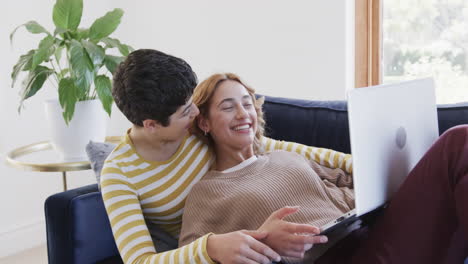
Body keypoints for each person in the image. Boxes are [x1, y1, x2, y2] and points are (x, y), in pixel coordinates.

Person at [179, 72, 468, 264]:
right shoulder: (207, 192)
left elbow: (351, 183)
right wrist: (266, 242)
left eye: (247, 104)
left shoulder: (283, 157)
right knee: (457, 140)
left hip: (374, 232)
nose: (243, 114)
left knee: (459, 146)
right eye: (228, 107)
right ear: (204, 123)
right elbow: (196, 254)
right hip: (338, 257)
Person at [100, 49, 352, 264]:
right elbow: (139, 260)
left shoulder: (194, 131)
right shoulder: (119, 173)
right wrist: (211, 248)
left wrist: (361, 163)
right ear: (152, 125)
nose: (196, 112)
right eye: (187, 110)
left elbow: (270, 146)